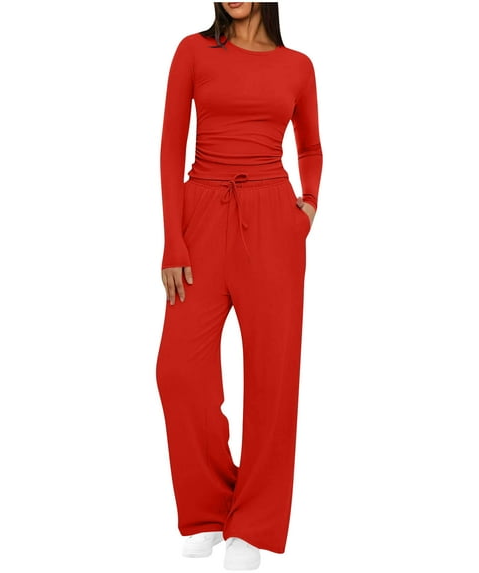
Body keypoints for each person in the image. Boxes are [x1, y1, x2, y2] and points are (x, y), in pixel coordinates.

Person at [155, 2, 322, 570]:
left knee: (273, 377)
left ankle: (253, 524)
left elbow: (310, 147)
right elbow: (171, 146)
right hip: (201, 214)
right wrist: (174, 241)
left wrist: (306, 207)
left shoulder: (297, 66)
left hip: (273, 220)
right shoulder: (193, 52)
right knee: (178, 371)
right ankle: (209, 509)